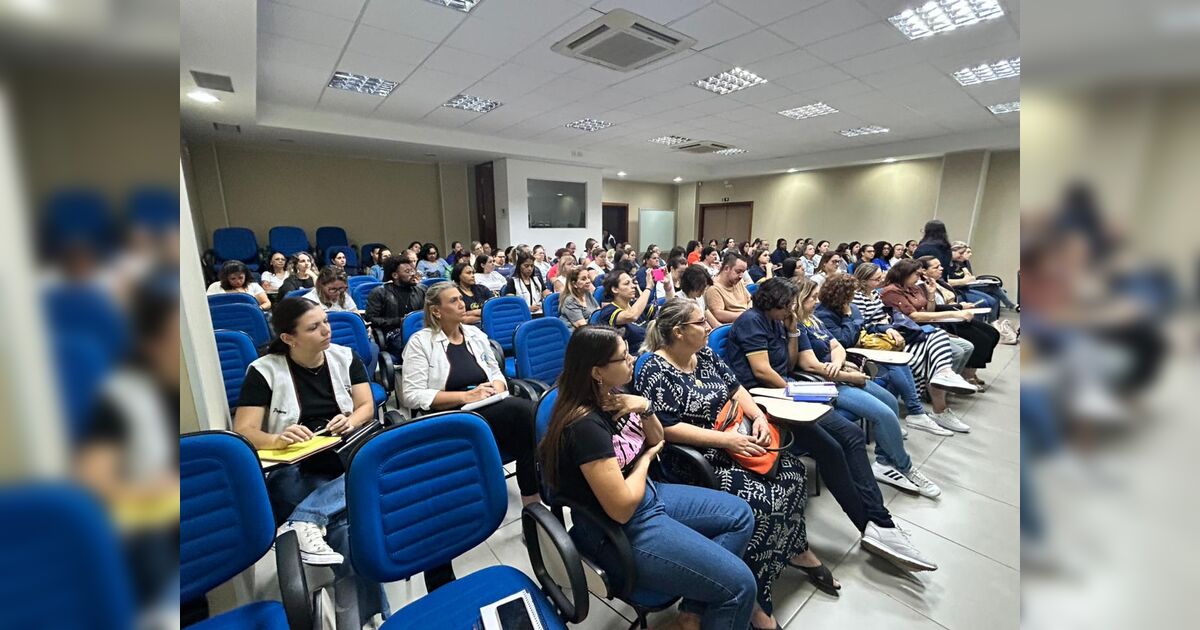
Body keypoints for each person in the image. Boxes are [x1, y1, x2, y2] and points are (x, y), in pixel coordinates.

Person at [539, 326, 757, 630]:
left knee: (740, 515)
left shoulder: (614, 393)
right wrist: (644, 460)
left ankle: (691, 615)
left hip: (647, 497)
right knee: (740, 585)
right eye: (623, 357)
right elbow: (622, 507)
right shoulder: (585, 426)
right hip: (617, 529)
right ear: (597, 371)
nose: (632, 360)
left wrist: (644, 406)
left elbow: (655, 438)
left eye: (629, 351)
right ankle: (714, 604)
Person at [635, 299, 838, 621]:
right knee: (762, 503)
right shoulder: (652, 368)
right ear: (678, 331)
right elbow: (667, 428)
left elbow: (735, 388)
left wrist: (757, 416)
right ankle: (755, 595)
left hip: (734, 437)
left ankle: (796, 550)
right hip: (698, 458)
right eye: (700, 323)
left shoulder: (703, 354)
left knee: (793, 473)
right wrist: (728, 440)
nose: (709, 328)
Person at [720, 280, 939, 572]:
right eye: (787, 306)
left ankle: (878, 522)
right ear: (772, 304)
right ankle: (875, 524)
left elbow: (789, 360)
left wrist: (793, 327)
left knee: (848, 436)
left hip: (783, 390)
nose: (791, 309)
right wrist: (793, 390)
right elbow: (762, 371)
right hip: (763, 397)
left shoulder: (778, 321)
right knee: (833, 448)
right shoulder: (751, 322)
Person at [234, 298, 375, 565]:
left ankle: (304, 520)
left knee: (365, 477)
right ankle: (362, 608)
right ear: (289, 338)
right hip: (295, 462)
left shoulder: (345, 356)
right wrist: (276, 439)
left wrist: (351, 421)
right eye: (313, 328)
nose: (326, 331)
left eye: (326, 321)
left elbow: (366, 406)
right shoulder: (264, 370)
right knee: (345, 523)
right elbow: (244, 430)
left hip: (343, 449)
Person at [401, 283, 541, 505]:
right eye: (454, 301)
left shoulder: (474, 334)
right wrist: (466, 397)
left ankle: (532, 508)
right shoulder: (420, 342)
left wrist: (497, 387)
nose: (462, 304)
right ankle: (536, 504)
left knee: (528, 433)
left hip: (489, 404)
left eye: (461, 298)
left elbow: (495, 372)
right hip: (451, 413)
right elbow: (411, 394)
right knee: (529, 415)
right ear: (436, 310)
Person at [815, 274, 963, 435]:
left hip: (863, 349)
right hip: (848, 356)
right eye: (851, 292)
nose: (854, 295)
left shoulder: (851, 307)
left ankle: (912, 413)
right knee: (895, 364)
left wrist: (888, 329)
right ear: (842, 294)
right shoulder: (825, 313)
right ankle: (912, 413)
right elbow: (845, 340)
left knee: (901, 360)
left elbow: (869, 325)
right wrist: (848, 317)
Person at [851, 263, 977, 428]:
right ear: (864, 280)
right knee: (930, 349)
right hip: (876, 341)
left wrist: (931, 295)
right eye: (876, 279)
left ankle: (942, 379)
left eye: (880, 277)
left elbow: (884, 317)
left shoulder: (875, 293)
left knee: (937, 337)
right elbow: (865, 324)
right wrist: (886, 327)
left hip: (891, 334)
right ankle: (930, 407)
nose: (881, 281)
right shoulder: (860, 297)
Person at [881, 259, 999, 390]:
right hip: (912, 330)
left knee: (968, 346)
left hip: (928, 325)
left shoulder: (913, 288)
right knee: (959, 351)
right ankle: (935, 389)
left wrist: (931, 293)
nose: (918, 278)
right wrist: (953, 314)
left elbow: (929, 310)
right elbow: (914, 316)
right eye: (916, 274)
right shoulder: (892, 291)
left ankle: (948, 383)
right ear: (904, 274)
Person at [366, 253, 427, 354]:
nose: (412, 274)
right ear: (395, 275)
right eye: (407, 271)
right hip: (394, 332)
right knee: (415, 345)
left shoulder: (421, 290)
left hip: (419, 329)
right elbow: (371, 318)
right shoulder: (380, 292)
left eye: (412, 270)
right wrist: (398, 321)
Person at [595, 271, 656, 353]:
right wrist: (648, 288)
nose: (633, 286)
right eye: (627, 283)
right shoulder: (608, 311)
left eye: (632, 282)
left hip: (651, 351)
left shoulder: (635, 305)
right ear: (615, 289)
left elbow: (667, 312)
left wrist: (668, 287)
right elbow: (632, 316)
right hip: (631, 358)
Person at [704, 253, 751, 324]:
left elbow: (750, 299)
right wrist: (746, 315)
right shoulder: (713, 288)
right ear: (726, 268)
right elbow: (718, 314)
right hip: (734, 326)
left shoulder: (738, 282)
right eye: (738, 272)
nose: (741, 276)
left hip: (747, 319)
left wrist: (750, 312)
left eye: (743, 272)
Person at [504, 249, 549, 315]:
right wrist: (528, 308)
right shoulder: (512, 281)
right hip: (522, 315)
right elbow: (512, 304)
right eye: (526, 266)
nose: (530, 269)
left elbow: (547, 296)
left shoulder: (537, 279)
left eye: (532, 266)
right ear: (519, 266)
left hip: (540, 313)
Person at [679, 263, 722, 330]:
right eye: (701, 288)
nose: (703, 291)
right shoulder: (678, 300)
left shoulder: (700, 299)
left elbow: (715, 324)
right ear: (692, 284)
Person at [451, 261, 491, 325]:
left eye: (473, 273)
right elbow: (462, 319)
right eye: (468, 273)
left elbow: (495, 310)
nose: (472, 275)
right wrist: (486, 314)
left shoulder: (482, 289)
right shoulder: (455, 293)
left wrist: (471, 313)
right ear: (458, 276)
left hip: (489, 325)